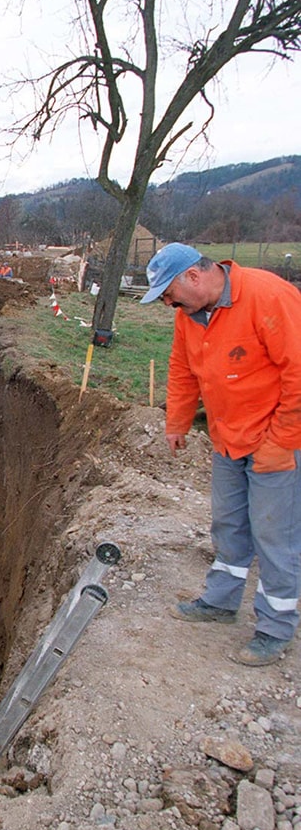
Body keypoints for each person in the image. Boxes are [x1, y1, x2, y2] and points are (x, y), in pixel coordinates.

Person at [141, 242, 301, 667]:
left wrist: (282, 442)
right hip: (228, 437)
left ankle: (274, 627)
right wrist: (176, 422)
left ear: (194, 276)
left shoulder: (268, 296)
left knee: (275, 537)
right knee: (228, 523)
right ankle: (220, 601)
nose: (168, 304)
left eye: (169, 293)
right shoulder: (189, 316)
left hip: (276, 439)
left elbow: (299, 372)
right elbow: (181, 368)